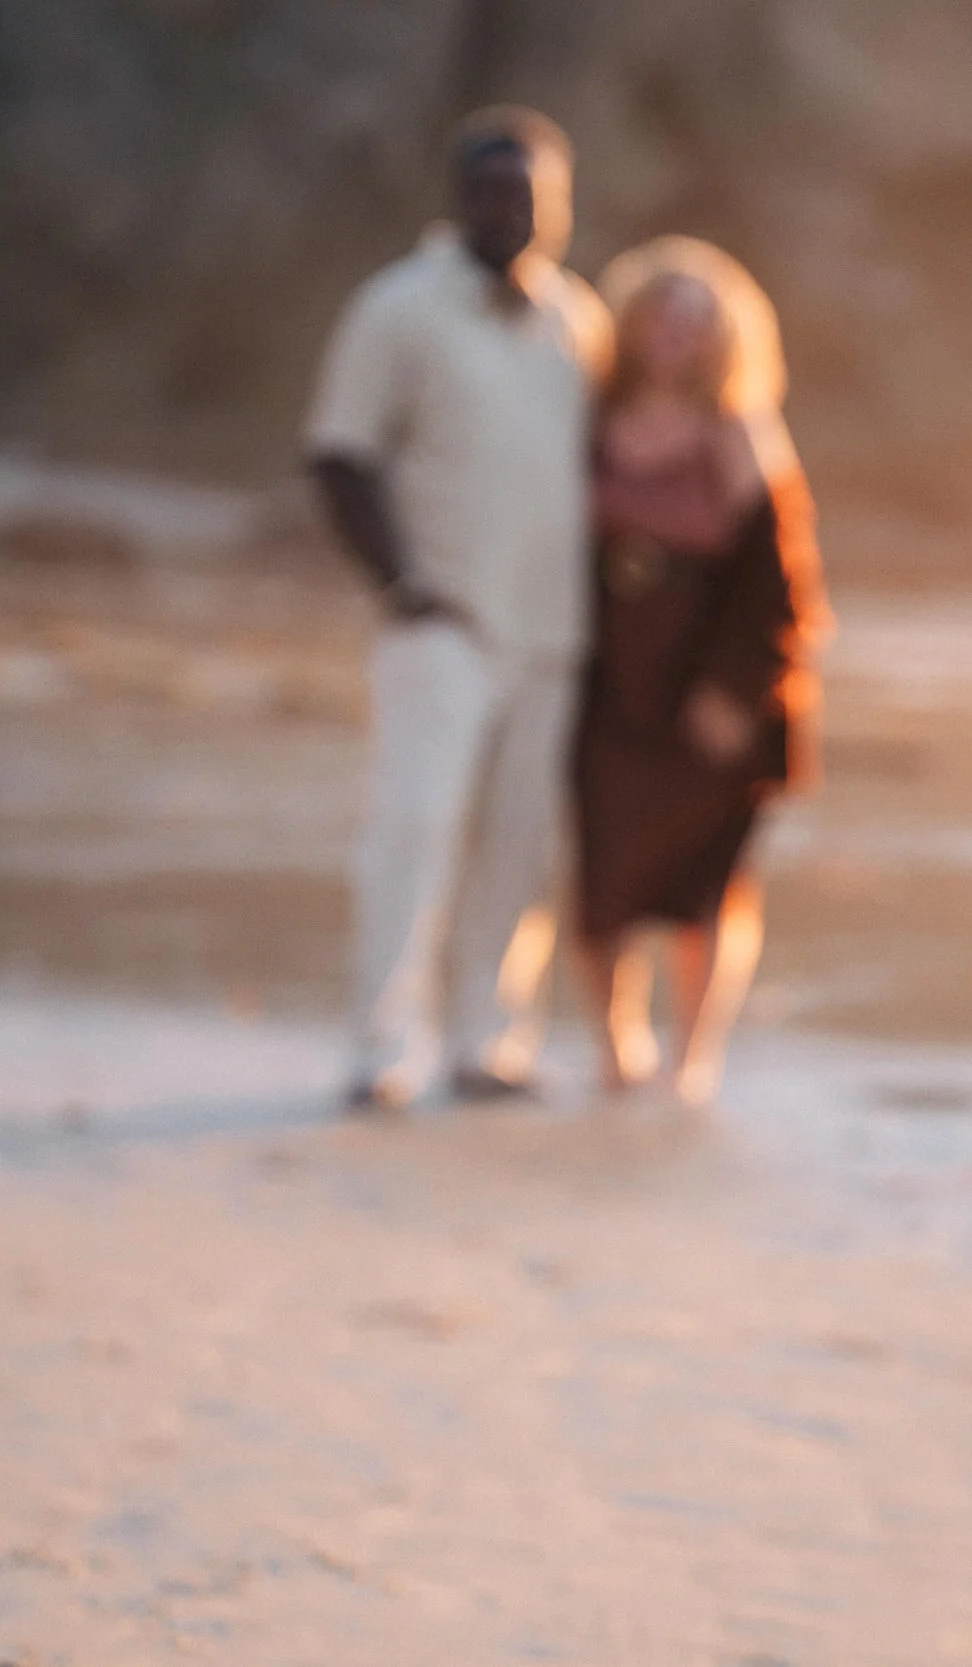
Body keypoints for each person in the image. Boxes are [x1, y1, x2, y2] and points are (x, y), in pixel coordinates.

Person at [302, 106, 612, 1112]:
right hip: (441, 624)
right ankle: (382, 1046)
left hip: (553, 633)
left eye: (533, 194)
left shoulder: (578, 318)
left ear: (560, 206)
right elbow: (340, 454)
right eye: (492, 188)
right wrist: (404, 589)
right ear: (457, 196)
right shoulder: (399, 306)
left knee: (519, 844)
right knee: (414, 830)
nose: (513, 209)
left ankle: (487, 1038)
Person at [569, 237, 830, 1109]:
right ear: (632, 319)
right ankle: (615, 1046)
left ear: (725, 336)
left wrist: (733, 692)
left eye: (697, 317)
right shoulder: (590, 417)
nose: (676, 330)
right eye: (661, 310)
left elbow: (781, 581)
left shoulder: (740, 429)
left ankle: (692, 1056)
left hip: (716, 687)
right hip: (607, 679)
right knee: (602, 873)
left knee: (709, 884)